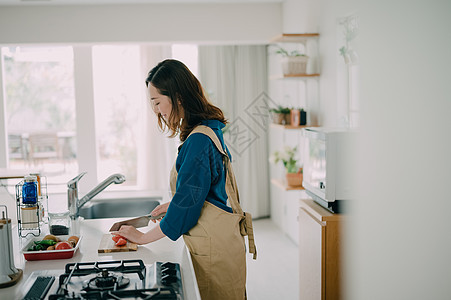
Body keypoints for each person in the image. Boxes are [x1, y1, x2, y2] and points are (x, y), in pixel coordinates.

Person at [112, 59, 257, 300]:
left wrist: (143, 237)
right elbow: (206, 188)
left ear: (178, 97)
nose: (157, 110)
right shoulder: (209, 129)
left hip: (214, 252)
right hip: (223, 245)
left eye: (157, 102)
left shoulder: (198, 141)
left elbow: (189, 208)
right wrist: (175, 203)